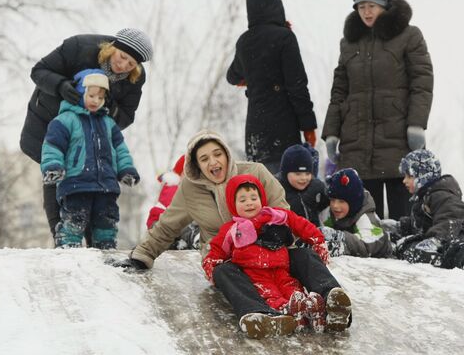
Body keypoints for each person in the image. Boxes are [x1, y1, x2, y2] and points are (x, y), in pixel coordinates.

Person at [111, 129, 352, 339]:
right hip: (231, 260)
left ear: (226, 154)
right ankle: (261, 316)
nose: (212, 161)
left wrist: (276, 232)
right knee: (224, 272)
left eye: (217, 154)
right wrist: (142, 255)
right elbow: (167, 225)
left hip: (273, 249)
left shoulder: (255, 173)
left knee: (304, 256)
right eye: (204, 158)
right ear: (196, 164)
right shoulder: (190, 189)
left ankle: (333, 301)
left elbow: (282, 209)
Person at [20, 28, 153, 244]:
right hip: (51, 121)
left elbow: (126, 116)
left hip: (91, 137)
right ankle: (62, 239)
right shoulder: (79, 48)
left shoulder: (134, 79)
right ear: (113, 47)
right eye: (122, 57)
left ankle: (97, 245)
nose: (124, 66)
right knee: (57, 175)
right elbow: (39, 71)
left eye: (131, 64)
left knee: (95, 186)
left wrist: (109, 107)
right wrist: (61, 86)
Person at [321, 0, 433, 220]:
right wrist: (331, 132)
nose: (367, 12)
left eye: (371, 5)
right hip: (358, 143)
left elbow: (421, 83)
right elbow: (339, 91)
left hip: (397, 139)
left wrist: (416, 125)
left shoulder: (408, 36)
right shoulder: (349, 43)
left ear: (383, 5)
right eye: (361, 7)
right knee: (366, 221)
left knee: (403, 219)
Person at [203, 174, 328, 333]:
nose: (249, 203)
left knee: (291, 289)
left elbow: (300, 223)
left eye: (253, 198)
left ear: (261, 199)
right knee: (270, 294)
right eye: (242, 200)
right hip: (255, 274)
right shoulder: (232, 229)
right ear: (233, 205)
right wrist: (211, 265)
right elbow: (216, 249)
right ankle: (282, 313)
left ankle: (307, 311)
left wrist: (317, 239)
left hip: (281, 269)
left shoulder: (275, 216)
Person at [40, 69, 139, 249]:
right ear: (79, 93)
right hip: (76, 183)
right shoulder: (65, 120)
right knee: (74, 221)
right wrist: (53, 166)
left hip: (106, 187)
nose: (96, 101)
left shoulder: (109, 124)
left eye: (100, 98)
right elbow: (52, 146)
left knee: (106, 222)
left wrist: (126, 170)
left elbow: (120, 150)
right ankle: (68, 250)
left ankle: (105, 250)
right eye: (91, 95)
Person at [226, 0, 318, 173]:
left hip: (255, 130)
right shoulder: (285, 37)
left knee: (261, 189)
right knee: (286, 191)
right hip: (284, 127)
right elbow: (298, 85)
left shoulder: (244, 41)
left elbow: (232, 76)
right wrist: (308, 126)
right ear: (277, 7)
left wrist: (252, 78)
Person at [392, 149, 464, 272]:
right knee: (407, 245)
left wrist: (436, 239)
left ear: (423, 176)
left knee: (457, 248)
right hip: (434, 242)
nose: (404, 180)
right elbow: (420, 223)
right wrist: (401, 226)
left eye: (409, 176)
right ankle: (433, 259)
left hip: (453, 234)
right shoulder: (423, 199)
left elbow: (450, 216)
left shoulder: (441, 194)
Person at [321, 168, 392, 258]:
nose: (335, 205)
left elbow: (366, 246)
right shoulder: (333, 214)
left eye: (341, 201)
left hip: (382, 264)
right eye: (332, 200)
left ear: (353, 202)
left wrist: (340, 238)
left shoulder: (365, 217)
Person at [146, 155, 199, 250]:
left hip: (175, 226)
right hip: (160, 223)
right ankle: (193, 239)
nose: (190, 178)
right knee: (186, 227)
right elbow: (172, 217)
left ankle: (187, 241)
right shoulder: (173, 189)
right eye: (187, 174)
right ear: (179, 175)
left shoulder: (193, 190)